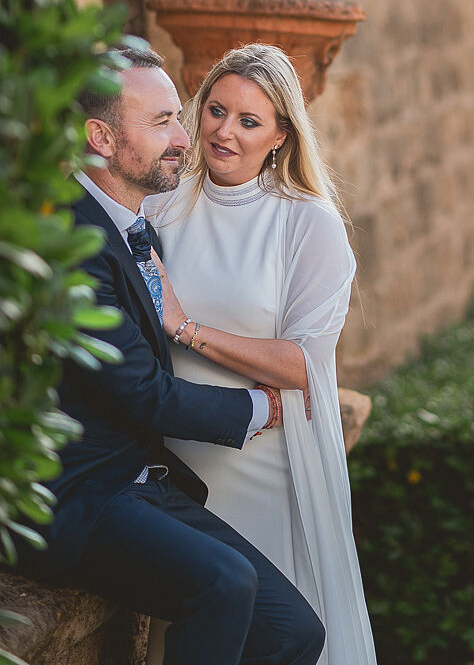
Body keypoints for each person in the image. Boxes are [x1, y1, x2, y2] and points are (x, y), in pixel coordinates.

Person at [15, 44, 325, 665]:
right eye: (161, 122)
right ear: (100, 137)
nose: (185, 137)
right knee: (222, 583)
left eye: (175, 117)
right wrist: (262, 408)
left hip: (143, 483)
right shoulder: (71, 241)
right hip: (81, 494)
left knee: (295, 633)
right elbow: (143, 394)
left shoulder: (135, 224)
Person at [145, 43, 376, 665]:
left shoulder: (308, 223)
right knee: (194, 628)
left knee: (275, 631)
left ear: (280, 136)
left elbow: (303, 364)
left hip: (269, 456)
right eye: (215, 111)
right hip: (180, 458)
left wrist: (187, 329)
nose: (224, 131)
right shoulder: (159, 207)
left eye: (249, 121)